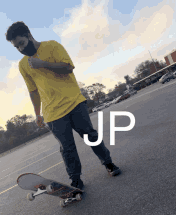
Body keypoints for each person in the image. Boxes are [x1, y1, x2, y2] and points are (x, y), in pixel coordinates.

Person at [5, 21, 121, 190]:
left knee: (91, 136)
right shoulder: (23, 65)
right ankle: (75, 181)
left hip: (74, 103)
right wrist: (37, 113)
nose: (21, 49)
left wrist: (42, 64)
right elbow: (33, 91)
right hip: (52, 113)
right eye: (17, 47)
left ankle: (109, 164)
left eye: (21, 43)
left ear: (29, 35)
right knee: (67, 149)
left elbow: (68, 67)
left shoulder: (52, 46)